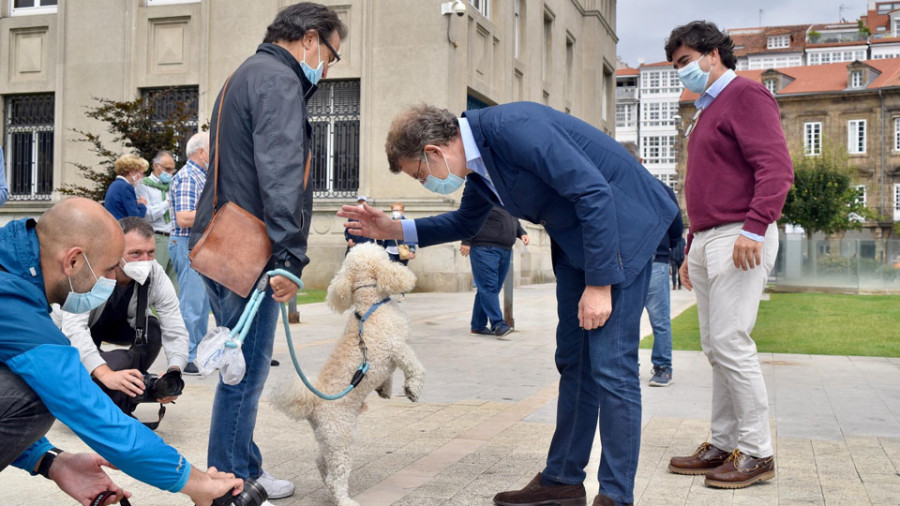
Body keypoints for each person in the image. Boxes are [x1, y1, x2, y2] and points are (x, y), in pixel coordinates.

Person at [340, 102, 678, 506]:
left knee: (612, 366)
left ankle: (616, 496)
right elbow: (465, 223)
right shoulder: (481, 165)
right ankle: (563, 481)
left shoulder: (514, 129)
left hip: (622, 232)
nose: (426, 182)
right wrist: (392, 229)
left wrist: (600, 285)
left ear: (433, 152)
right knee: (575, 362)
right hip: (579, 244)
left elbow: (593, 191)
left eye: (419, 174)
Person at [189, 2, 347, 499]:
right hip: (248, 252)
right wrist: (288, 256)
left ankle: (245, 465)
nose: (327, 66)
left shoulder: (247, 72)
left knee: (241, 363)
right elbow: (279, 174)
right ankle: (229, 480)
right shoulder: (277, 82)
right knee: (245, 370)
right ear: (309, 39)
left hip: (222, 242)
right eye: (331, 55)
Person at [0, 197, 243, 505]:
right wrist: (198, 484)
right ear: (74, 261)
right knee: (37, 393)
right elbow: (99, 419)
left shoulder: (14, 264)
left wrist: (49, 461)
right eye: (110, 268)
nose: (116, 278)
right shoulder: (14, 307)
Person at [664, 21, 794, 489]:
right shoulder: (707, 108)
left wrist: (756, 227)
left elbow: (776, 169)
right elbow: (709, 184)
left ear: (713, 53)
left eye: (684, 62)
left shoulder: (746, 95)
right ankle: (724, 443)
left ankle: (757, 452)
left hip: (742, 232)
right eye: (676, 65)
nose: (681, 72)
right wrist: (691, 247)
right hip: (709, 237)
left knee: (732, 344)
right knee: (717, 348)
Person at [55, 217, 188, 421]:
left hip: (119, 326)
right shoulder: (87, 269)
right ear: (115, 249)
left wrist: (174, 373)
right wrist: (106, 373)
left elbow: (175, 327)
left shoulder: (155, 274)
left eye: (150, 252)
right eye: (135, 253)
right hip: (65, 336)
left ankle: (125, 394)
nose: (145, 261)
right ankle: (88, 390)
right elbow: (73, 330)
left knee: (153, 328)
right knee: (106, 368)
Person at [619, 141, 684, 387]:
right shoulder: (658, 189)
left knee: (651, 319)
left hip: (652, 260)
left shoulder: (655, 189)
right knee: (638, 319)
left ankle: (659, 365)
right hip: (638, 260)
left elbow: (676, 226)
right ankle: (653, 367)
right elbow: (676, 228)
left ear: (639, 162)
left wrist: (666, 247)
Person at [169, 133, 211, 376]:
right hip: (187, 243)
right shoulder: (187, 176)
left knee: (202, 304)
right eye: (211, 149)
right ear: (200, 152)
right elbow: (184, 217)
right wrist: (217, 213)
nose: (215, 153)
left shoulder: (201, 175)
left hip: (199, 245)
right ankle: (186, 357)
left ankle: (199, 354)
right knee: (191, 304)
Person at [460, 206, 528, 339]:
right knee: (488, 287)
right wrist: (466, 240)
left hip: (505, 249)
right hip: (484, 248)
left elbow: (514, 220)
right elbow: (469, 215)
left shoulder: (506, 196)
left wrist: (522, 232)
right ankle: (498, 324)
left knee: (490, 288)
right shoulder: (485, 192)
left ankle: (478, 326)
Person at [136, 150, 178, 287]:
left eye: (172, 170)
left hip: (174, 237)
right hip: (157, 236)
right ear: (156, 167)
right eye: (167, 169)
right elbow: (147, 214)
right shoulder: (144, 185)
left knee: (174, 284)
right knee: (154, 281)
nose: (170, 173)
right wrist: (167, 203)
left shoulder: (172, 185)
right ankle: (151, 308)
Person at [104, 154, 149, 221]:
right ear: (132, 172)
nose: (142, 176)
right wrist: (142, 205)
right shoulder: (126, 187)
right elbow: (135, 217)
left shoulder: (115, 184)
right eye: (141, 173)